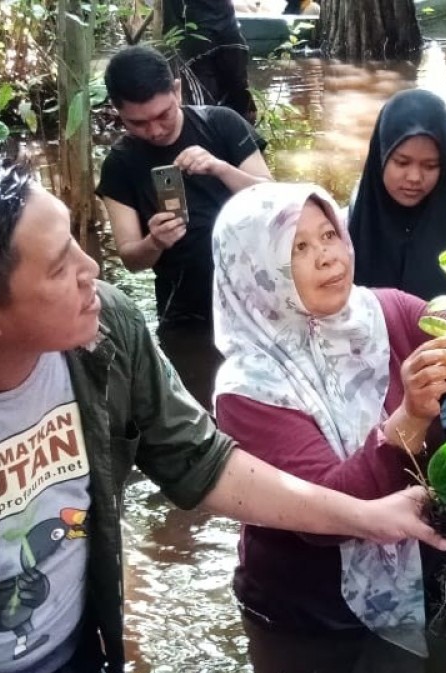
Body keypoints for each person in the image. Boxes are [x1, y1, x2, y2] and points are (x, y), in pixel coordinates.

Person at [0, 136, 446, 673]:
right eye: (58, 266)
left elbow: (201, 463)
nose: (91, 269)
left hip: (74, 660)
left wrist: (372, 518)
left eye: (76, 239)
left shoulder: (104, 332)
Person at [211, 182, 446, 673]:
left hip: (417, 569)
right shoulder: (248, 386)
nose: (328, 256)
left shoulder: (389, 313)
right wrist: (411, 415)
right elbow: (327, 511)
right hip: (309, 613)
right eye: (297, 248)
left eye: (329, 234)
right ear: (257, 270)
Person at [98, 45, 271, 412]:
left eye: (163, 115)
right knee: (206, 415)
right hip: (186, 313)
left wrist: (221, 169)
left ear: (177, 90)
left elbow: (275, 200)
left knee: (268, 406)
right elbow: (131, 257)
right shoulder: (121, 165)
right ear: (118, 113)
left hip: (256, 298)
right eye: (138, 123)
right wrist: (154, 241)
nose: (155, 130)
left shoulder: (221, 124)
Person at [348, 88, 446, 302]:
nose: (414, 177)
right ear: (380, 155)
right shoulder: (345, 230)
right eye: (402, 162)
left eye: (430, 165)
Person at [164, 0, 257, 124]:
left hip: (207, 38)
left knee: (207, 106)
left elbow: (171, 20)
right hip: (218, 35)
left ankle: (232, 136)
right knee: (235, 96)